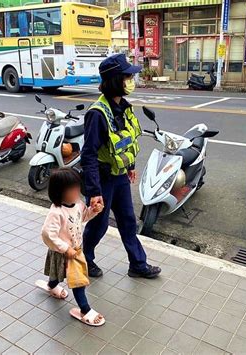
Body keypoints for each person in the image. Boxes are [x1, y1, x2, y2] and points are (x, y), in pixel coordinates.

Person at [81, 53, 161, 279]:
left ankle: (137, 264)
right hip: (103, 179)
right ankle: (85, 260)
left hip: (120, 177)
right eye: (127, 76)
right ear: (116, 80)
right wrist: (95, 191)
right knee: (98, 225)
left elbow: (127, 140)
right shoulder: (97, 114)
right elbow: (88, 155)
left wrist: (130, 165)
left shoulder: (125, 107)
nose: (131, 80)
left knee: (128, 221)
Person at [38, 168, 105, 327]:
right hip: (64, 252)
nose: (77, 191)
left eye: (77, 187)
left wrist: (93, 211)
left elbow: (82, 218)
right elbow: (48, 233)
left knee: (58, 274)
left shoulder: (79, 204)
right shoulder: (57, 212)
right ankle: (85, 310)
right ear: (59, 192)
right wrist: (65, 248)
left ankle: (51, 286)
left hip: (75, 250)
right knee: (78, 282)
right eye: (72, 189)